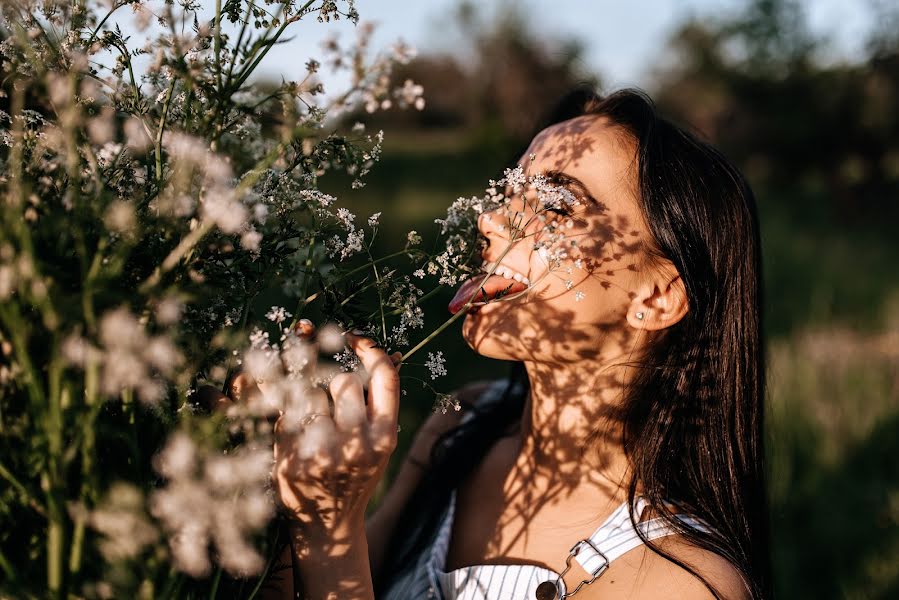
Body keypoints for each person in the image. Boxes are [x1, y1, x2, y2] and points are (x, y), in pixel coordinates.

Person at [239, 87, 771, 600]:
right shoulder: (464, 424)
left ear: (656, 298)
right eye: (510, 191)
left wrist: (330, 522)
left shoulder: (684, 583)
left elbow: (335, 561)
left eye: (556, 206)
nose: (490, 219)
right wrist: (282, 491)